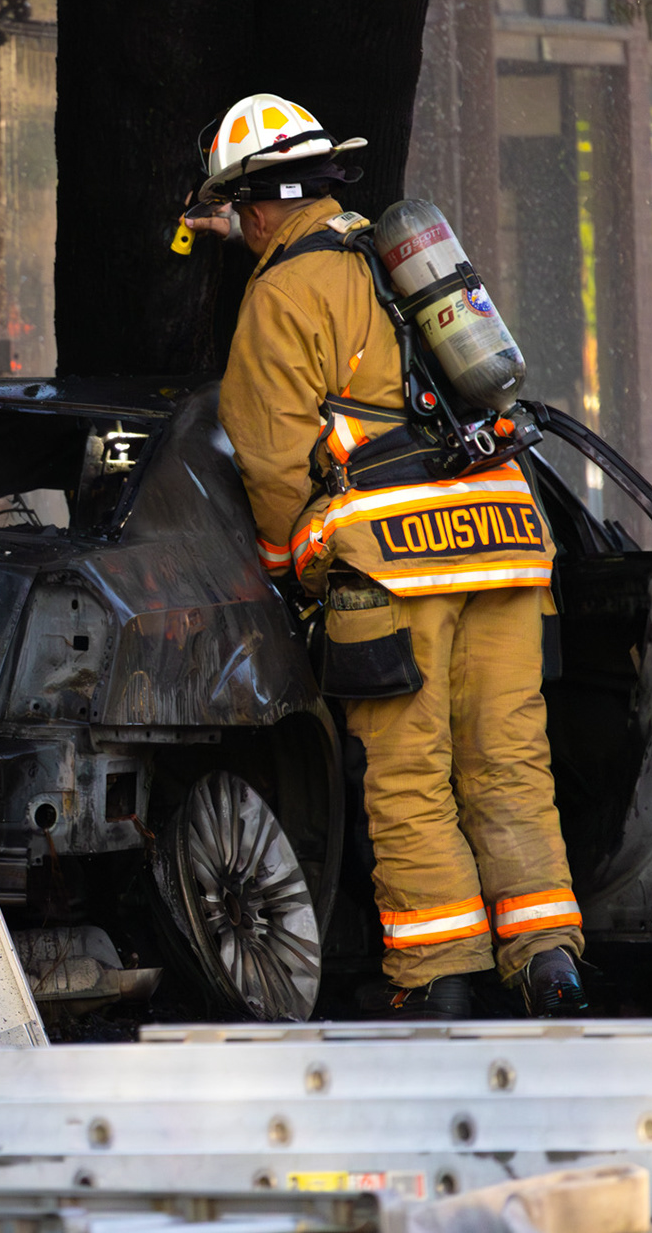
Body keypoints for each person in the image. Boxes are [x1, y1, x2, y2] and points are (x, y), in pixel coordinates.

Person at [182, 94, 588, 1019]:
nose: (241, 230)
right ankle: (550, 965)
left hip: (392, 569)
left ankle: (440, 977)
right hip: (508, 548)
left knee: (410, 775)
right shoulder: (405, 260)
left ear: (257, 203)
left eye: (239, 212)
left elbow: (274, 460)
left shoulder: (285, 292)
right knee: (510, 762)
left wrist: (294, 576)